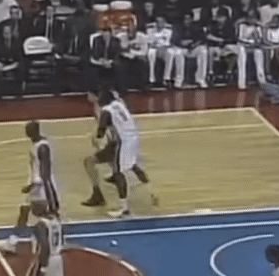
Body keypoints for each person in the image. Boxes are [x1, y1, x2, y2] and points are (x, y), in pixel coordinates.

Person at [82, 88, 156, 217]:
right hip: (133, 137)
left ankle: (124, 208)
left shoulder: (106, 111)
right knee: (132, 165)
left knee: (118, 172)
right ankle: (152, 191)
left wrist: (96, 137)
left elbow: (100, 133)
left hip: (122, 141)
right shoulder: (118, 104)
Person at [17, 121, 60, 227]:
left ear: (35, 131)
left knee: (42, 213)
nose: (27, 131)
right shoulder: (36, 144)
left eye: (29, 129)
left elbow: (45, 173)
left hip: (42, 188)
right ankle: (18, 234)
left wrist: (32, 186)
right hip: (34, 183)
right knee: (24, 209)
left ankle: (57, 229)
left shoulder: (42, 148)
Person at [171, 11, 208, 88]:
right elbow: (174, 40)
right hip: (182, 49)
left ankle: (200, 79)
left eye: (188, 19)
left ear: (192, 19)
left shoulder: (197, 27)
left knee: (203, 51)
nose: (186, 21)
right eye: (185, 19)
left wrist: (194, 44)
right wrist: (182, 43)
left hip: (193, 49)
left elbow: (203, 39)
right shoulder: (177, 27)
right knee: (177, 52)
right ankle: (179, 80)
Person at [236, 8, 266, 89]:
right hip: (243, 45)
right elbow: (240, 38)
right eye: (249, 17)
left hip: (255, 46)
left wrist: (255, 43)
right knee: (242, 56)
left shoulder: (258, 26)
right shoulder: (242, 25)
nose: (251, 19)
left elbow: (260, 39)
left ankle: (262, 81)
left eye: (253, 17)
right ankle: (241, 82)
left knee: (259, 53)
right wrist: (249, 43)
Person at [206, 9, 238, 84]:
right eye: (218, 17)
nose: (220, 19)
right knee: (211, 50)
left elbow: (232, 39)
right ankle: (211, 73)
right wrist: (220, 40)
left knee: (235, 52)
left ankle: (229, 72)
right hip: (215, 47)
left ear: (226, 18)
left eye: (222, 17)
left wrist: (223, 41)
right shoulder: (213, 25)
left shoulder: (230, 26)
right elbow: (208, 37)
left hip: (226, 47)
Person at [146, 14, 175, 86]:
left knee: (170, 53)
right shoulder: (150, 29)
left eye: (161, 22)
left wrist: (162, 47)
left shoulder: (168, 30)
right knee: (151, 52)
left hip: (164, 49)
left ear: (164, 22)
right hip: (154, 49)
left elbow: (167, 43)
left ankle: (166, 78)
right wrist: (157, 47)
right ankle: (151, 79)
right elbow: (150, 43)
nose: (159, 23)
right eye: (158, 22)